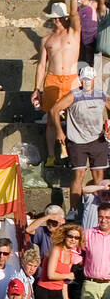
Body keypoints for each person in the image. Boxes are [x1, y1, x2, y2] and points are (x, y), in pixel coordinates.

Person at [32, 0, 81, 160]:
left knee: (74, 118)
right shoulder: (46, 39)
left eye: (61, 18)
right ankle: (52, 155)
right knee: (51, 121)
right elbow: (41, 65)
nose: (58, 21)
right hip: (52, 78)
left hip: (71, 78)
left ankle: (74, 154)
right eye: (55, 18)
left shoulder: (74, 33)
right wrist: (36, 89)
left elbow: (75, 14)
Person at [50, 65, 109, 201]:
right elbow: (54, 110)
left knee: (99, 175)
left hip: (98, 140)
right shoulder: (74, 95)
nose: (87, 82)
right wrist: (59, 131)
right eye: (84, 79)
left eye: (89, 79)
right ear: (80, 80)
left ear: (95, 79)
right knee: (79, 174)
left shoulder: (101, 95)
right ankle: (74, 210)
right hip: (77, 141)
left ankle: (98, 208)